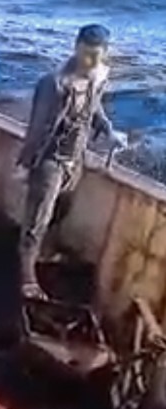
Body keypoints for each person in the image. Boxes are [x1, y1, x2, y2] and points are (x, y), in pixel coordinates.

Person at [17, 24, 127, 300]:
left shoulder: (98, 75)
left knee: (62, 210)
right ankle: (26, 278)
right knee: (37, 221)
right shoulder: (54, 84)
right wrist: (27, 164)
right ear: (75, 47)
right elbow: (38, 128)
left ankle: (42, 251)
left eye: (96, 56)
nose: (90, 61)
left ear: (105, 54)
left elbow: (94, 105)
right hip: (50, 160)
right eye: (85, 54)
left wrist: (107, 129)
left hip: (75, 160)